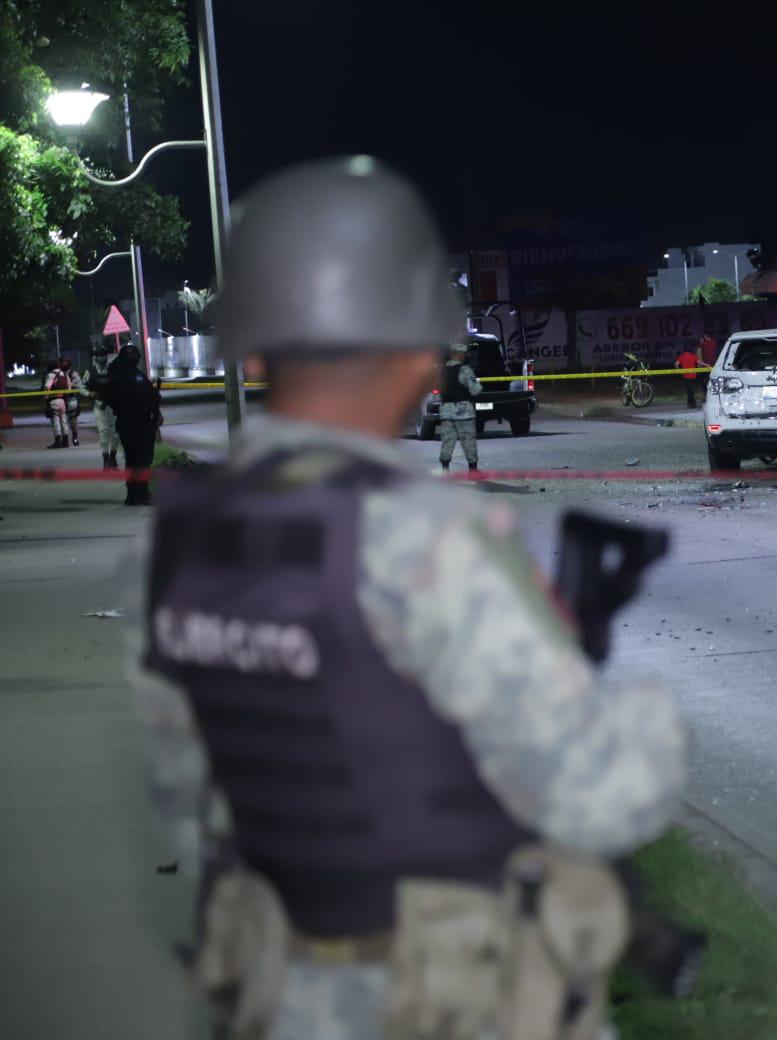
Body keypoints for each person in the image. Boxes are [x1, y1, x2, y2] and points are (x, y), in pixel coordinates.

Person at [124, 157, 687, 1040]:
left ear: (255, 346)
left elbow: (188, 793)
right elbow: (601, 798)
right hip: (447, 996)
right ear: (423, 350)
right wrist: (640, 713)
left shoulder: (178, 541)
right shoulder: (428, 541)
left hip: (277, 989)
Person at [96, 344, 159, 504]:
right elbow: (144, 399)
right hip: (138, 422)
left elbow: (106, 396)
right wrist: (155, 410)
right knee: (142, 459)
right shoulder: (135, 377)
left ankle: (132, 495)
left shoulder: (116, 375)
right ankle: (141, 495)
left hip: (125, 422)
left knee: (132, 460)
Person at [437, 340, 481, 472]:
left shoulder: (441, 370)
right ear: (459, 354)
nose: (466, 356)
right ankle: (473, 471)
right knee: (468, 442)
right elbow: (475, 390)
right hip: (463, 412)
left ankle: (445, 469)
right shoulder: (464, 370)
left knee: (447, 442)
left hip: (446, 412)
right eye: (464, 354)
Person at [84, 346, 121, 468]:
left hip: (113, 406)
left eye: (104, 355)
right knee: (104, 433)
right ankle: (105, 460)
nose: (103, 357)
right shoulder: (90, 372)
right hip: (100, 406)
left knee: (116, 433)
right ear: (95, 357)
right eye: (100, 355)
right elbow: (82, 387)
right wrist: (90, 393)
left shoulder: (112, 370)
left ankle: (113, 457)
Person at [44, 358, 71, 448]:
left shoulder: (51, 375)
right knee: (64, 421)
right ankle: (66, 442)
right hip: (63, 400)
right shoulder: (64, 374)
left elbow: (47, 387)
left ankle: (58, 442)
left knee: (55, 422)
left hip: (53, 400)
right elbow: (69, 388)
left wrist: (46, 398)